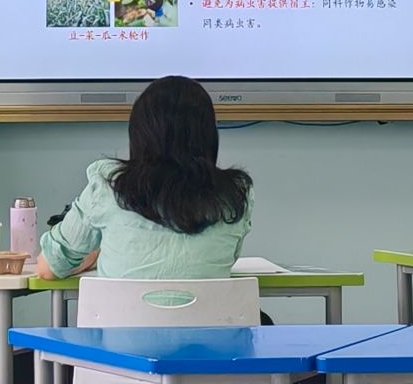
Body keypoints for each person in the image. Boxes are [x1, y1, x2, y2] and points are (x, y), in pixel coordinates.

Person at [36, 76, 253, 281]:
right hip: (212, 310)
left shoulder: (107, 185)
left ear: (139, 133)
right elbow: (227, 259)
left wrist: (96, 257)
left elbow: (48, 268)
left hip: (119, 311)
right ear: (209, 135)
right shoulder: (235, 194)